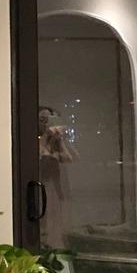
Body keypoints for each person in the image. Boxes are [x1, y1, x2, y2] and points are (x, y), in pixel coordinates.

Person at [37, 104, 76, 249]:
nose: (46, 124)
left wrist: (59, 140)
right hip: (39, 187)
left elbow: (71, 158)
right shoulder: (36, 140)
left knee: (56, 221)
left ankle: (55, 247)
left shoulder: (56, 142)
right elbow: (39, 155)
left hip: (56, 189)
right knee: (42, 221)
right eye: (42, 120)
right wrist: (45, 137)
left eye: (49, 120)